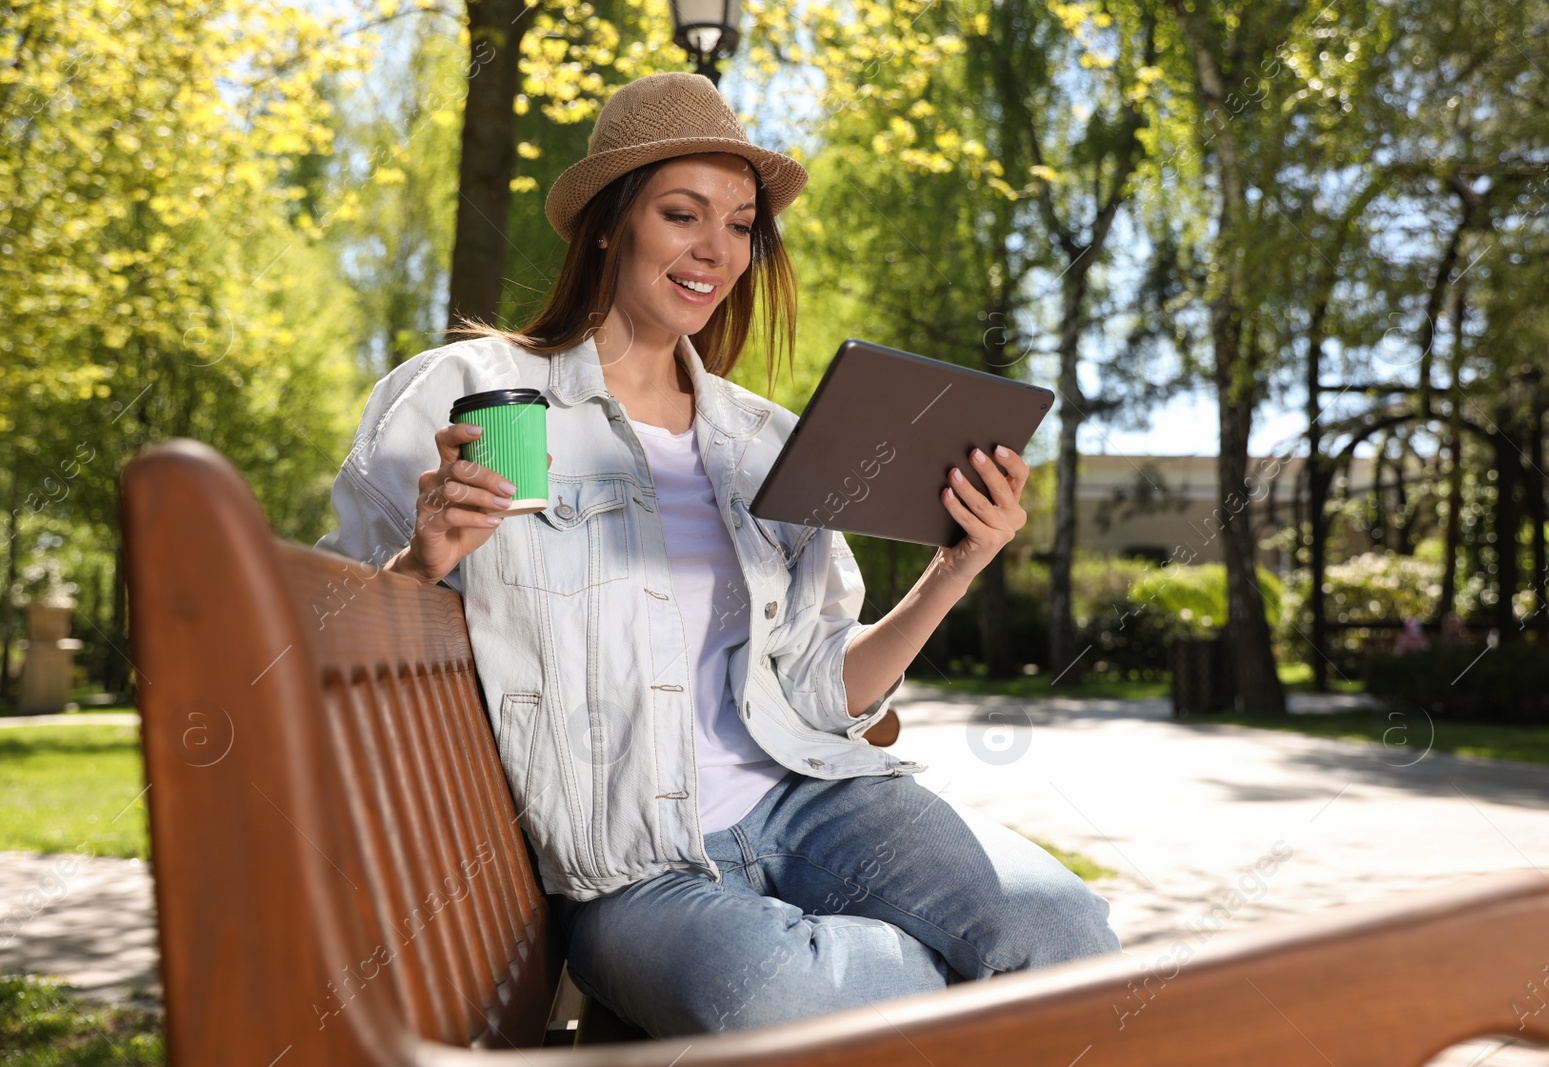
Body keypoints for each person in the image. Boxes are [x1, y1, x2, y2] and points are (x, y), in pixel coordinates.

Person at [315, 71, 1120, 1040]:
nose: (715, 250)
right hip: (630, 865)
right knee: (806, 996)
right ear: (611, 223)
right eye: (682, 213)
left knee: (1063, 927)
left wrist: (957, 567)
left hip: (812, 803)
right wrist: (421, 558)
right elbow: (331, 642)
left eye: (740, 225)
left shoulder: (771, 442)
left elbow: (825, 690)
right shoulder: (472, 387)